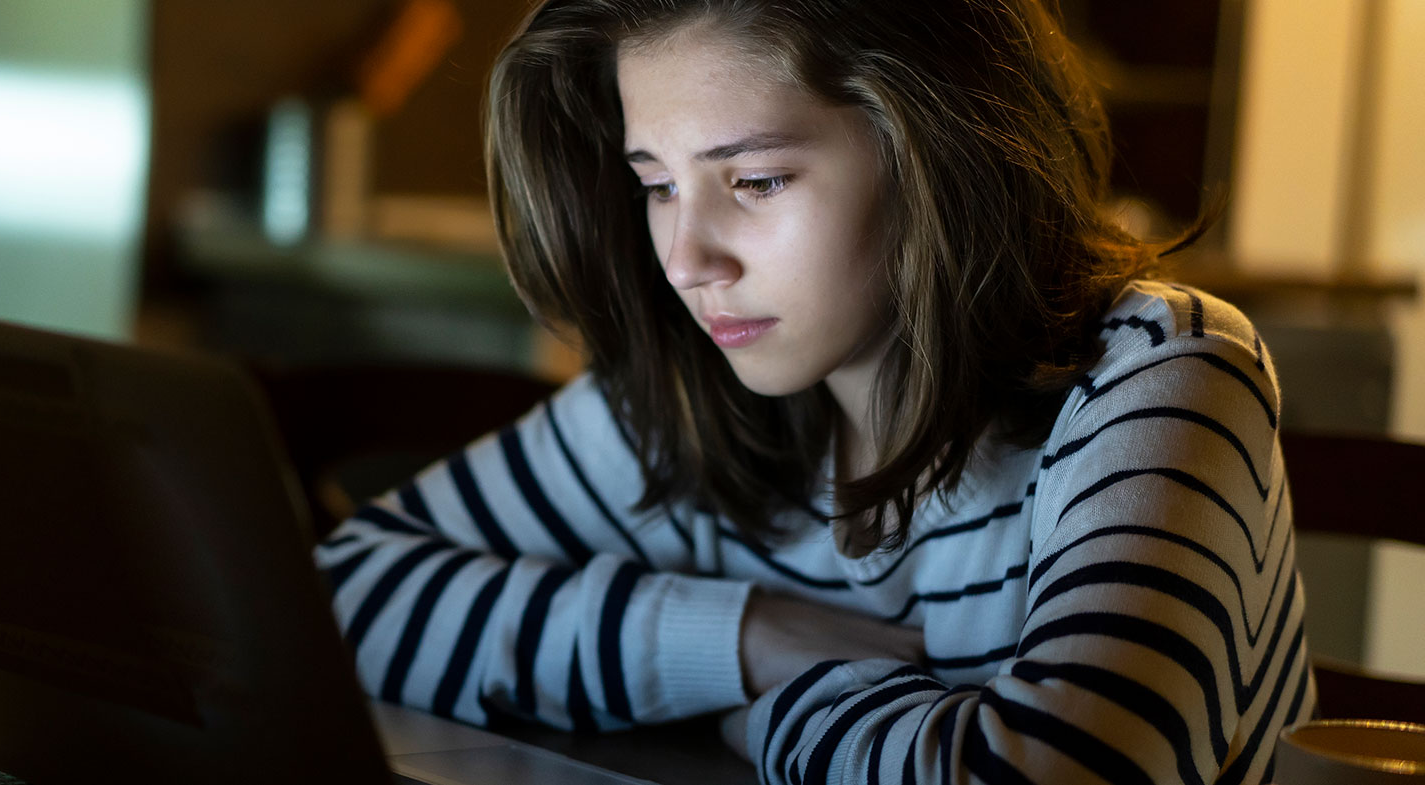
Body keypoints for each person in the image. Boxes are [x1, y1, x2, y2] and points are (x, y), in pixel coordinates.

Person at [313, 1, 1312, 783]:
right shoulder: (683, 396)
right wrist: (741, 634)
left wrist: (756, 708)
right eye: (657, 184)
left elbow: (1059, 771)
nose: (687, 258)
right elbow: (340, 595)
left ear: (935, 146)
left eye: (752, 181)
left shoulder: (1163, 369)